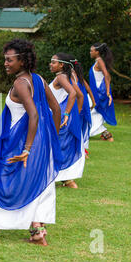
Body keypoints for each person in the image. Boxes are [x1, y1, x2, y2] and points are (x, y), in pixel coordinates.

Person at [0, 39, 62, 246]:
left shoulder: (21, 83)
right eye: (5, 60)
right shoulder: (38, 79)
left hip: (21, 144)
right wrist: (49, 139)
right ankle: (38, 233)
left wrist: (27, 149)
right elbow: (56, 109)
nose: (6, 63)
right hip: (40, 143)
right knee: (36, 185)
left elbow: (34, 115)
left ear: (22, 61)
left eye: (10, 60)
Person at [48, 53, 84, 189]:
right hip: (62, 116)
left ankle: (64, 178)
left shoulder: (61, 77)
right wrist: (76, 114)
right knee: (62, 145)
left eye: (53, 62)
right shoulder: (66, 77)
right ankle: (68, 180)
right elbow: (80, 95)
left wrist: (67, 113)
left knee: (56, 145)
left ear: (61, 65)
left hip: (59, 117)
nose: (51, 64)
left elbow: (74, 94)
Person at [89, 43, 117, 141]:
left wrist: (108, 92)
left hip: (98, 92)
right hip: (95, 91)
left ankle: (105, 134)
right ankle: (105, 134)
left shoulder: (99, 61)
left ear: (97, 52)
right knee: (92, 111)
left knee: (91, 111)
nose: (90, 52)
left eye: (92, 50)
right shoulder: (98, 61)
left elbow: (106, 75)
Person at [69, 57, 96, 159]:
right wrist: (93, 102)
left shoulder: (71, 77)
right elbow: (88, 89)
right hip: (84, 105)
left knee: (76, 127)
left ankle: (80, 150)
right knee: (80, 127)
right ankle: (81, 149)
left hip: (78, 105)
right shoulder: (80, 77)